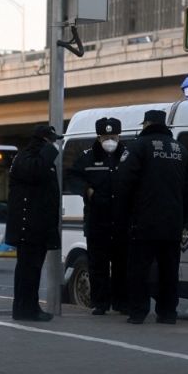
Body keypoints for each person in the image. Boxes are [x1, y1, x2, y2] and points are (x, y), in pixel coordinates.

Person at [118, 109, 188, 324]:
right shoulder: (182, 150)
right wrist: (185, 218)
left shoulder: (138, 147)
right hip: (172, 223)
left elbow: (124, 183)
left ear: (147, 124)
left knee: (139, 269)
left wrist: (124, 217)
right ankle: (168, 312)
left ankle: (138, 312)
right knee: (169, 270)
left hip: (143, 222)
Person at [68, 117, 128, 315]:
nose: (110, 140)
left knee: (121, 264)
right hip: (97, 220)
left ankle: (121, 302)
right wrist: (86, 190)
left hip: (121, 220)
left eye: (113, 136)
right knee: (98, 265)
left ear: (118, 136)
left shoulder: (127, 155)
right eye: (106, 137)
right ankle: (100, 303)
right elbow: (73, 176)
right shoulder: (87, 157)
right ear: (98, 137)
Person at [4, 124, 63, 322]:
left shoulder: (36, 157)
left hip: (37, 226)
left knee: (32, 270)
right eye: (51, 140)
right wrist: (49, 150)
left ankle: (29, 307)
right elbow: (34, 172)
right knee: (28, 270)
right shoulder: (27, 157)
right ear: (44, 140)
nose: (53, 144)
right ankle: (24, 309)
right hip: (28, 227)